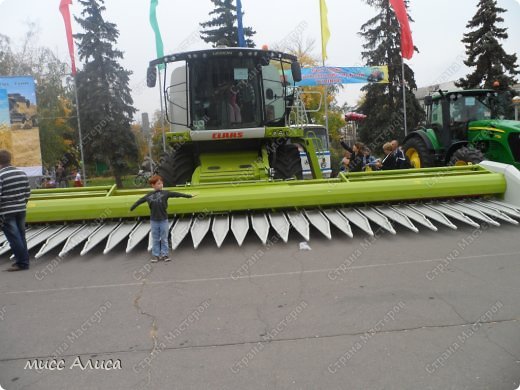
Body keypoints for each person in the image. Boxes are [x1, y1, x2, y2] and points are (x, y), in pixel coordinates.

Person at [129, 175, 196, 262]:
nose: (160, 185)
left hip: (163, 220)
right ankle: (155, 255)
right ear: (153, 185)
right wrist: (132, 208)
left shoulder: (165, 193)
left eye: (161, 183)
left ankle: (165, 255)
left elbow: (177, 194)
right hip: (154, 221)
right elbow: (139, 201)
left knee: (164, 238)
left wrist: (189, 196)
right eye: (158, 184)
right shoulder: (149, 195)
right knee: (155, 238)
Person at [0, 150, 31, 271]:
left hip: (6, 212)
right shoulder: (21, 173)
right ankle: (24, 261)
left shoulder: (1, 175)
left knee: (14, 237)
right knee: (21, 236)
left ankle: (22, 263)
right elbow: (27, 192)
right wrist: (22, 203)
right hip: (21, 209)